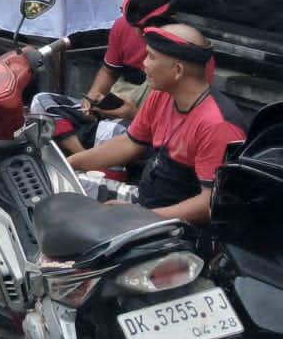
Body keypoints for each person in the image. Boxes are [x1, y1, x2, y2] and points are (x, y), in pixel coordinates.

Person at [68, 23, 245, 224]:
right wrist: (70, 164)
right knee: (62, 191)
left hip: (173, 229)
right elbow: (129, 143)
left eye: (151, 57)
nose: (144, 63)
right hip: (145, 204)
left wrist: (141, 216)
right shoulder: (161, 94)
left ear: (177, 70)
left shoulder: (217, 125)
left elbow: (210, 203)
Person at [30, 0, 180, 155]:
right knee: (41, 102)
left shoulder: (183, 51)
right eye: (134, 26)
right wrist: (92, 99)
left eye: (142, 28)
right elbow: (109, 70)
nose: (138, 33)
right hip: (117, 106)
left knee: (111, 131)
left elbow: (176, 126)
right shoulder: (122, 26)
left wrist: (134, 114)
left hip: (147, 126)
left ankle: (84, 156)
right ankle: (82, 156)